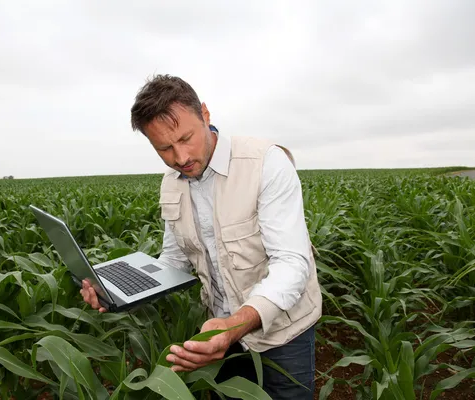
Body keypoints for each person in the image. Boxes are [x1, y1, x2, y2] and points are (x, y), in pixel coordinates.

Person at [81, 74, 322, 399]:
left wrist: (235, 324)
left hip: (282, 333)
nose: (180, 158)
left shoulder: (265, 163)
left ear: (205, 115)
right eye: (164, 148)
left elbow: (292, 264)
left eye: (186, 138)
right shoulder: (172, 183)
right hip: (217, 332)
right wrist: (118, 293)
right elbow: (174, 261)